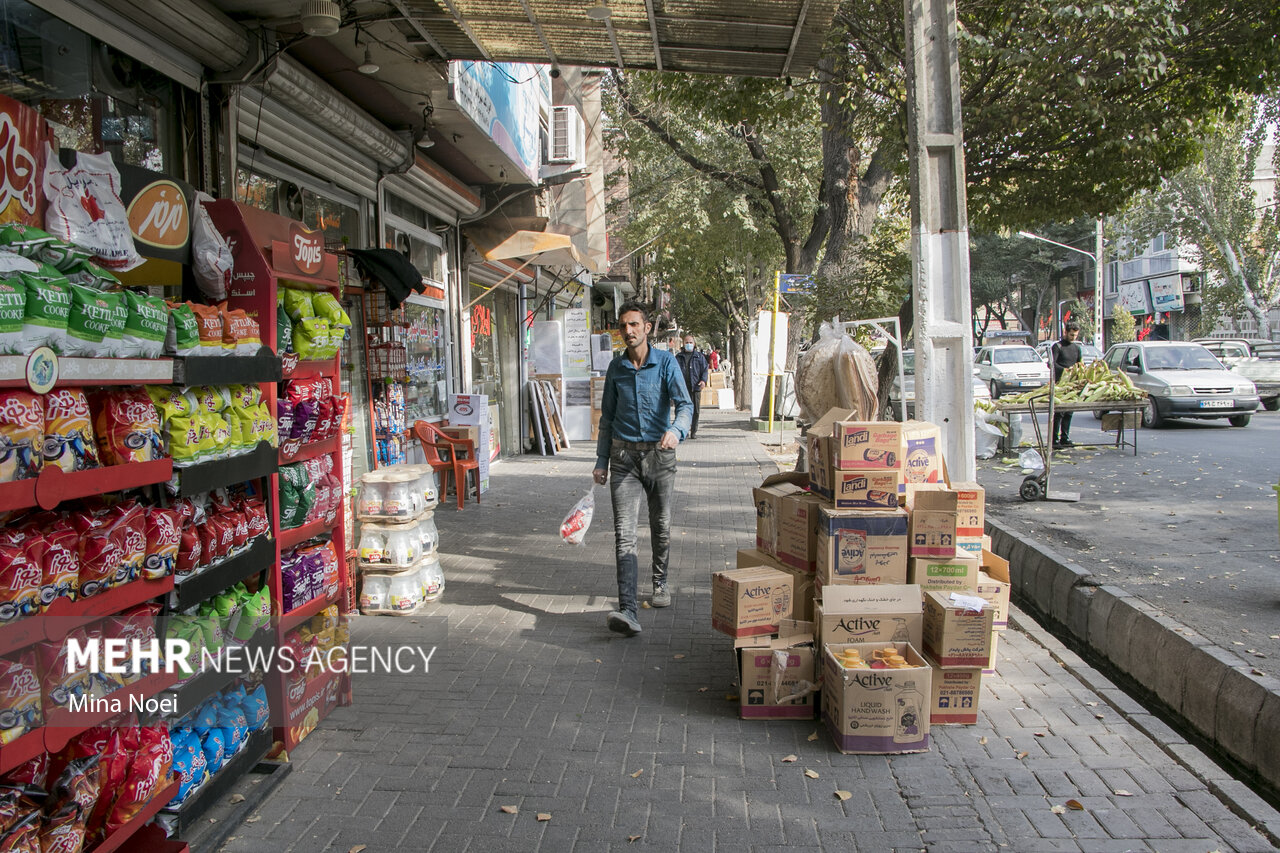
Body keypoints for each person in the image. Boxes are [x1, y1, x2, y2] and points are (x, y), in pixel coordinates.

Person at [593, 302, 694, 637]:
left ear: (648, 327)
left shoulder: (665, 363)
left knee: (660, 527)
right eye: (623, 326)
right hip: (623, 460)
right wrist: (601, 460)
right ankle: (628, 610)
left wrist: (676, 430)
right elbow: (607, 418)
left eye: (634, 324)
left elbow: (685, 405)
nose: (628, 331)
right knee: (624, 535)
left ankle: (660, 581)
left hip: (659, 457)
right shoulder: (615, 368)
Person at [1051, 322, 1083, 446]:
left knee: (1069, 412)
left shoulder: (1076, 348)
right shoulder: (1057, 347)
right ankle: (1054, 439)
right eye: (1071, 335)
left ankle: (1065, 437)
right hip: (1060, 383)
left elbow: (1080, 364)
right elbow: (1052, 364)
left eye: (1075, 335)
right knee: (1059, 412)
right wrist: (1064, 370)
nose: (1073, 338)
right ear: (1065, 332)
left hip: (1072, 384)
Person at [675, 334, 710, 439]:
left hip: (695, 387)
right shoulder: (678, 357)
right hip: (682, 388)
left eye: (691, 342)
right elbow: (674, 371)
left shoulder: (699, 357)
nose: (689, 344)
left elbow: (705, 370)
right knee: (682, 410)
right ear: (683, 344)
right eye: (687, 342)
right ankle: (683, 431)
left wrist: (703, 381)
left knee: (696, 410)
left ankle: (693, 431)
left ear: (694, 344)